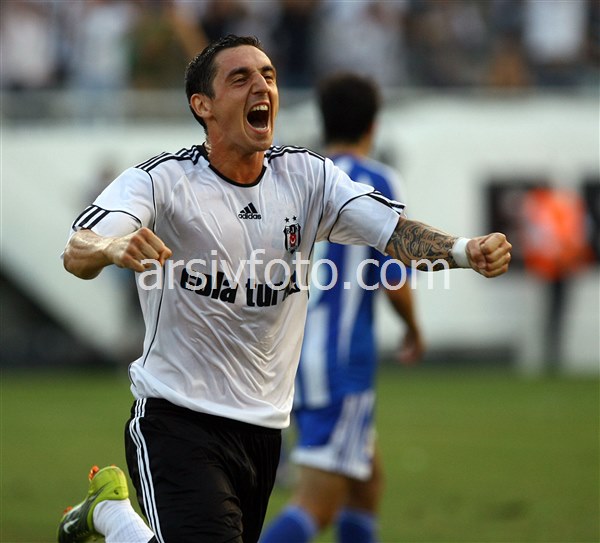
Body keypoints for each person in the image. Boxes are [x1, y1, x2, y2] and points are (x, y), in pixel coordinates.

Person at [57, 34, 512, 543]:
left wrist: (464, 250)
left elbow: (393, 233)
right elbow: (78, 248)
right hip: (176, 418)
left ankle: (111, 516)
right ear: (203, 105)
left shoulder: (307, 177)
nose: (262, 86)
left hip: (264, 429)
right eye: (241, 78)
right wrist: (112, 247)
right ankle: (112, 516)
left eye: (268, 75)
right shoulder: (162, 180)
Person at [260, 72, 424, 543]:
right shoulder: (375, 180)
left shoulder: (296, 177)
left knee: (365, 486)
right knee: (318, 503)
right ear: (373, 125)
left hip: (287, 357)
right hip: (338, 363)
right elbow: (394, 279)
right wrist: (414, 329)